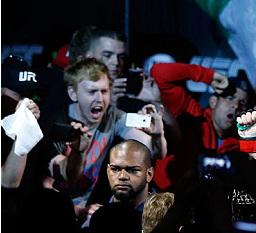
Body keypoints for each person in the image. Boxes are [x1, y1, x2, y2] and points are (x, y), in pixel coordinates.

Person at [39, 58, 166, 220]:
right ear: (73, 94)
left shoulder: (113, 116)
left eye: (104, 91)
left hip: (89, 209)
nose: (100, 99)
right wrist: (77, 211)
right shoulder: (56, 124)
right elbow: (45, 186)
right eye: (92, 92)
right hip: (54, 211)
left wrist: (157, 134)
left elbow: (153, 150)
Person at [150, 62, 256, 187]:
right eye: (230, 98)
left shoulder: (242, 143)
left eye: (242, 103)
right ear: (213, 101)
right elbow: (158, 73)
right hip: (164, 203)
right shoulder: (189, 112)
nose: (235, 105)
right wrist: (209, 76)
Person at [1, 56, 42, 190]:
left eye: (30, 96)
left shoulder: (35, 125)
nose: (27, 103)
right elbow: (8, 182)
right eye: (19, 95)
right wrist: (24, 131)